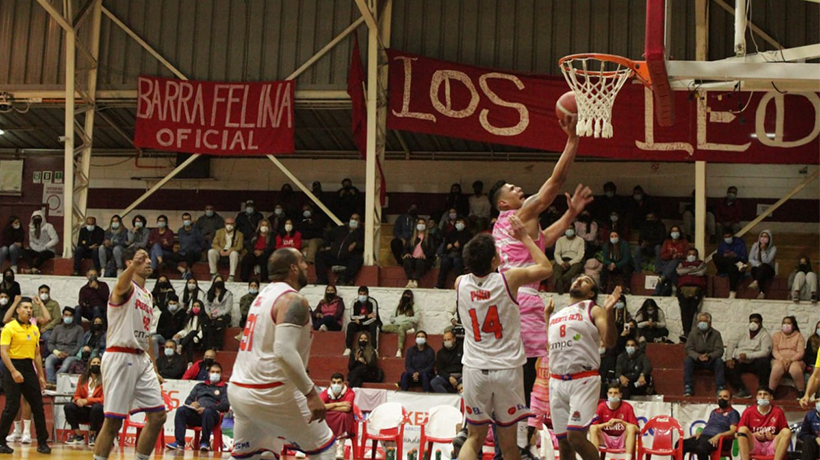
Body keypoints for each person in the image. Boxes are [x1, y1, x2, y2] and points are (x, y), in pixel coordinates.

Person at [487, 119, 590, 408]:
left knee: (517, 373)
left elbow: (545, 238)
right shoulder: (522, 214)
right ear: (503, 204)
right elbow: (554, 184)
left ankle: (507, 432)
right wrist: (572, 140)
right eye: (511, 188)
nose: (517, 188)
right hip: (522, 299)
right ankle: (508, 435)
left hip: (509, 298)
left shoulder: (507, 226)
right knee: (521, 376)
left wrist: (570, 216)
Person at [455, 214, 556, 460]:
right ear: (494, 260)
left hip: (474, 369)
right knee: (509, 446)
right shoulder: (508, 279)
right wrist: (525, 238)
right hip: (507, 370)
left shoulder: (459, 283)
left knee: (473, 438)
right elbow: (546, 268)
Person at [229, 247, 338, 459]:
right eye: (304, 262)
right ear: (293, 268)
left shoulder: (262, 296)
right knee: (325, 448)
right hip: (270, 390)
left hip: (239, 390)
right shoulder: (293, 300)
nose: (308, 266)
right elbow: (283, 351)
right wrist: (311, 394)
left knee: (256, 454)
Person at [93, 247, 166, 460]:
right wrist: (132, 266)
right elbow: (119, 285)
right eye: (142, 260)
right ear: (130, 263)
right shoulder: (126, 288)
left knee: (158, 416)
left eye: (148, 259)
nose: (148, 262)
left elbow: (147, 335)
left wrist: (154, 367)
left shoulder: (147, 295)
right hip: (120, 355)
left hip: (141, 358)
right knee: (113, 421)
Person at [547, 274, 620, 460]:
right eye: (577, 279)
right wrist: (546, 316)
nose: (579, 281)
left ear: (591, 293)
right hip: (556, 381)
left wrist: (609, 312)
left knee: (576, 437)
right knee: (563, 442)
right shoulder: (557, 315)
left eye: (586, 281)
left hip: (583, 378)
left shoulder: (594, 309)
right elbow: (550, 347)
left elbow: (610, 341)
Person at [0, 298, 50, 454]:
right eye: (25, 307)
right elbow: (3, 351)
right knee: (12, 406)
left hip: (29, 367)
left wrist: (41, 375)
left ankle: (42, 442)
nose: (29, 310)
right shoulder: (9, 328)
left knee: (37, 405)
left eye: (30, 307)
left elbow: (36, 355)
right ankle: (1, 441)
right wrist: (13, 371)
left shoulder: (34, 329)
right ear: (18, 310)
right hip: (12, 365)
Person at [167, 363, 230, 451]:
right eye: (213, 372)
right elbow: (188, 401)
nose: (215, 374)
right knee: (181, 410)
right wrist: (192, 404)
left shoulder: (225, 388)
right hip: (196, 414)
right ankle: (179, 442)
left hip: (213, 416)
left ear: (221, 374)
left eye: (217, 372)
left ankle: (205, 442)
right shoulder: (200, 386)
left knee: (207, 412)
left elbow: (225, 405)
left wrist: (208, 408)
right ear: (208, 373)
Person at [680, 389, 739, 460]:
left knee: (701, 448)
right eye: (720, 397)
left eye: (725, 397)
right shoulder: (714, 412)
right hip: (703, 438)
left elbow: (733, 430)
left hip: (718, 441)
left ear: (730, 400)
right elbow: (709, 426)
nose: (722, 399)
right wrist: (700, 433)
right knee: (680, 444)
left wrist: (719, 436)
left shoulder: (733, 413)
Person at [725, 313, 773, 399]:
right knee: (726, 365)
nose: (753, 324)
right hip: (740, 360)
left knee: (764, 362)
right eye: (751, 322)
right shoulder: (741, 331)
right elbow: (731, 344)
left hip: (755, 362)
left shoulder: (765, 335)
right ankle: (741, 390)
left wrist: (747, 356)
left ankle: (763, 389)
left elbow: (765, 352)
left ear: (761, 323)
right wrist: (728, 358)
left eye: (756, 322)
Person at [737, 387, 790, 460]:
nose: (762, 397)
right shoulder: (748, 411)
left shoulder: (778, 412)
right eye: (760, 394)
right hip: (755, 445)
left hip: (771, 445)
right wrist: (754, 435)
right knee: (742, 429)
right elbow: (737, 434)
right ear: (756, 397)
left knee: (786, 431)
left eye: (765, 394)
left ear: (771, 397)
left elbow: (783, 434)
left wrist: (772, 436)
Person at [589, 384, 639, 458]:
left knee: (631, 428)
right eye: (610, 393)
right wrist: (606, 424)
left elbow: (637, 429)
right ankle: (594, 458)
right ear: (607, 394)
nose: (612, 395)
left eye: (615, 393)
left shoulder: (627, 407)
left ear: (620, 395)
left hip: (622, 439)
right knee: (593, 428)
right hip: (606, 439)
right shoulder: (601, 407)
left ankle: (628, 458)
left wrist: (620, 422)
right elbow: (592, 426)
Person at [64, 356, 104, 446]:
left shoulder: (105, 380)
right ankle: (78, 435)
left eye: (98, 363)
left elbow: (103, 399)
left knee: (97, 407)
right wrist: (78, 400)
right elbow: (77, 395)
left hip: (98, 412)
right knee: (68, 406)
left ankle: (92, 435)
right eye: (94, 363)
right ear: (89, 365)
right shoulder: (82, 378)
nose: (96, 365)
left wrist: (87, 401)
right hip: (84, 410)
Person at [315, 214, 365, 286]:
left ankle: (343, 280)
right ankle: (322, 279)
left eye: (356, 219)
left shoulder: (362, 232)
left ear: (360, 221)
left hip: (348, 258)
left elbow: (365, 243)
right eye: (352, 218)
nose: (353, 220)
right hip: (334, 255)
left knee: (358, 259)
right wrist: (327, 245)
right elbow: (327, 235)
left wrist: (356, 244)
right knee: (320, 255)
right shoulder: (341, 229)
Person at [683, 312, 725, 397]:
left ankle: (720, 388)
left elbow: (720, 350)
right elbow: (688, 349)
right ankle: (688, 387)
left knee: (719, 362)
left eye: (704, 321)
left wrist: (709, 356)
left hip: (710, 360)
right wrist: (698, 356)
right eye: (700, 321)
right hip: (697, 360)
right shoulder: (693, 333)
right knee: (688, 361)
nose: (701, 323)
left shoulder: (716, 334)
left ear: (709, 323)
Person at [319, 373, 356, 460]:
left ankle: (340, 448)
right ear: (330, 383)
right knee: (322, 415)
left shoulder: (350, 392)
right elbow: (321, 406)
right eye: (334, 382)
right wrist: (337, 404)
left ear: (343, 383)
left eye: (339, 382)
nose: (336, 385)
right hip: (330, 417)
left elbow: (347, 408)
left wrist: (329, 406)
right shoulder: (326, 393)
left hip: (345, 419)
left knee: (343, 415)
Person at [45, 307, 84, 384]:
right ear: (62, 316)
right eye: (66, 315)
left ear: (73, 317)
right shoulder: (57, 328)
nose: (68, 317)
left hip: (71, 355)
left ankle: (55, 382)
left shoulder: (79, 329)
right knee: (48, 360)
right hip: (57, 353)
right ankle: (50, 382)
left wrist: (69, 353)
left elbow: (79, 345)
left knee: (65, 366)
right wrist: (57, 352)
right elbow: (50, 343)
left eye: (70, 315)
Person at [769, 316, 806, 397]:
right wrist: (782, 359)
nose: (786, 325)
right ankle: (771, 391)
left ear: (793, 325)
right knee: (777, 368)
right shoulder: (776, 335)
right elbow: (774, 350)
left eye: (788, 323)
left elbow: (800, 352)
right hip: (779, 359)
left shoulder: (799, 336)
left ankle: (801, 392)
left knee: (795, 369)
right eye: (784, 323)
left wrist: (791, 360)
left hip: (795, 360)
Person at [676, 248, 707, 341]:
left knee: (693, 310)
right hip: (683, 289)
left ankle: (691, 333)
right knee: (684, 309)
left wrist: (687, 271)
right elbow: (679, 271)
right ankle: (686, 331)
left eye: (693, 254)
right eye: (689, 254)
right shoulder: (682, 263)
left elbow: (701, 272)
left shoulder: (701, 263)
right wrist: (693, 270)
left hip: (697, 289)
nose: (691, 256)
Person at [343, 286, 380, 356]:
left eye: (364, 294)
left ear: (367, 294)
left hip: (369, 323)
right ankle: (348, 348)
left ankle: (374, 349)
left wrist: (362, 322)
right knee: (350, 325)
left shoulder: (373, 302)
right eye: (360, 294)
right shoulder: (354, 302)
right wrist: (366, 316)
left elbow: (374, 317)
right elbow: (352, 316)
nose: (362, 296)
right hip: (358, 323)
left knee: (374, 326)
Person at [382, 290, 420, 357]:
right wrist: (396, 320)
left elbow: (416, 319)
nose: (406, 297)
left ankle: (399, 350)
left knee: (401, 328)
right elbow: (392, 318)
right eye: (405, 295)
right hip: (397, 324)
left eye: (408, 295)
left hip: (408, 324)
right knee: (384, 328)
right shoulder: (398, 306)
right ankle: (404, 332)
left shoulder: (414, 306)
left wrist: (406, 319)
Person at [436, 217, 471, 289]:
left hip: (461, 255)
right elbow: (445, 247)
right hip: (450, 254)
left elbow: (468, 248)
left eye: (461, 223)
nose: (459, 224)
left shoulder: (468, 235)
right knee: (445, 261)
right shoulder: (451, 234)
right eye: (457, 223)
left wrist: (460, 246)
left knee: (457, 261)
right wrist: (449, 246)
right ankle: (440, 284)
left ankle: (461, 284)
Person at [713, 228, 748, 299]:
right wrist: (724, 256)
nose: (727, 238)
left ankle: (732, 291)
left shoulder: (740, 243)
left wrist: (735, 255)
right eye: (725, 237)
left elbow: (745, 258)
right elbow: (719, 258)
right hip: (724, 266)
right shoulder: (722, 244)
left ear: (732, 236)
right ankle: (738, 264)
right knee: (715, 256)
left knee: (732, 267)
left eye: (729, 236)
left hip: (734, 267)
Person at [654, 226, 689, 296]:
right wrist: (671, 254)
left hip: (678, 262)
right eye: (673, 231)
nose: (675, 233)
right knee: (672, 271)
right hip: (667, 262)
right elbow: (663, 256)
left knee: (674, 262)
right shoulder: (667, 242)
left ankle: (659, 287)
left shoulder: (684, 242)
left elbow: (687, 254)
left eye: (676, 231)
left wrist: (679, 255)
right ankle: (664, 282)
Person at [21, 210, 58, 274]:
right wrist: (36, 248)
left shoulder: (48, 226)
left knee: (43, 254)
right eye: (35, 218)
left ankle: (33, 269)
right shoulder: (31, 228)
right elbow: (31, 241)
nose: (37, 219)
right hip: (36, 249)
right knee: (24, 252)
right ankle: (32, 268)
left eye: (38, 217)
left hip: (48, 250)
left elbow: (55, 239)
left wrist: (46, 246)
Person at [173, 212, 207, 280]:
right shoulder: (180, 231)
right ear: (182, 220)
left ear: (190, 220)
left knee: (190, 253)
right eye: (184, 219)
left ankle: (189, 272)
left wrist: (199, 250)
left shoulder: (196, 230)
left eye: (188, 219)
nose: (186, 221)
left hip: (194, 253)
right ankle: (182, 270)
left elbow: (202, 243)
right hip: (182, 253)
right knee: (169, 257)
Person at [552, 224, 585, 295]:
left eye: (571, 229)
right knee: (556, 268)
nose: (569, 231)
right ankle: (560, 290)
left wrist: (570, 263)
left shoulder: (580, 240)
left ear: (574, 230)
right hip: (562, 260)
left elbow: (580, 255)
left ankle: (562, 280)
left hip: (575, 261)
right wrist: (561, 263)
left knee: (575, 269)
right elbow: (556, 253)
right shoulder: (560, 240)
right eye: (567, 229)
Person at [203, 276, 233, 350]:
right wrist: (208, 313)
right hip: (210, 314)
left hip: (223, 315)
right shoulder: (208, 293)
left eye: (220, 281)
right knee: (207, 324)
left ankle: (218, 347)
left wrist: (217, 315)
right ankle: (208, 347)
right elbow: (206, 305)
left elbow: (227, 309)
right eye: (217, 281)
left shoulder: (228, 294)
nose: (218, 283)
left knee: (219, 324)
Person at [153, 293, 187, 358]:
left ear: (178, 303)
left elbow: (183, 327)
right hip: (164, 336)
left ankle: (176, 359)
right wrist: (166, 334)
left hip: (176, 337)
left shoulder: (182, 314)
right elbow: (159, 328)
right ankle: (156, 359)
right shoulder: (164, 313)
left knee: (176, 338)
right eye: (170, 304)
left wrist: (177, 334)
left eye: (174, 304)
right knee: (154, 338)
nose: (172, 305)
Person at [431, 330, 463, 394]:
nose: (447, 342)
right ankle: (447, 398)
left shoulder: (462, 349)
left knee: (468, 382)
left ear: (454, 339)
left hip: (461, 375)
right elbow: (439, 370)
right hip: (447, 376)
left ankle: (457, 398)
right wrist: (449, 377)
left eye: (449, 339)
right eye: (445, 340)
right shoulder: (440, 353)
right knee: (434, 382)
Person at [748, 230, 777, 299]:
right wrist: (758, 264)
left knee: (763, 267)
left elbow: (767, 261)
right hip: (757, 268)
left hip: (768, 269)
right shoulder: (755, 246)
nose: (763, 238)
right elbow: (751, 258)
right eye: (762, 236)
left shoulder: (773, 248)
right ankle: (761, 292)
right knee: (755, 269)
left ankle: (757, 283)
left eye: (765, 236)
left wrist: (763, 250)